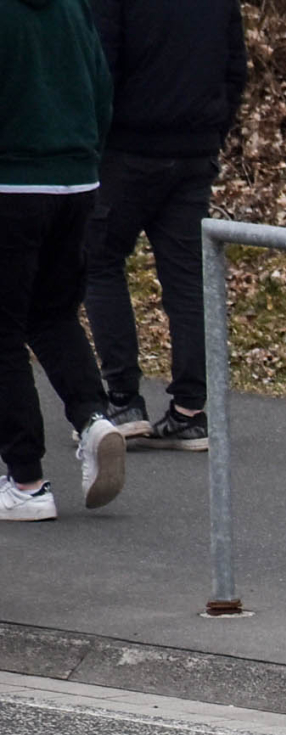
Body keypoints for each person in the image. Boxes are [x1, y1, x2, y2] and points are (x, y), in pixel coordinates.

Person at [83, 0, 248, 451]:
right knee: (186, 278)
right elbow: (236, 67)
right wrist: (215, 129)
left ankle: (122, 399)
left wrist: (95, 137)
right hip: (194, 148)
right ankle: (190, 410)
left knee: (100, 263)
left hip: (127, 147)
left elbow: (101, 66)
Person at [0, 0, 127, 523]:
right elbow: (101, 88)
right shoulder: (72, 7)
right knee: (52, 314)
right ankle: (93, 418)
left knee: (2, 331)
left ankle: (26, 480)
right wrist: (86, 155)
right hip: (75, 180)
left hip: (11, 181)